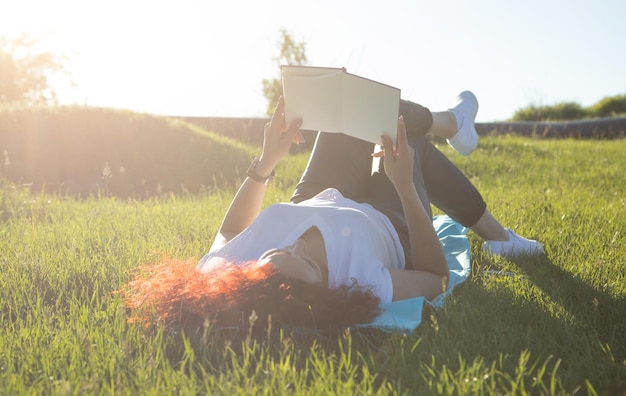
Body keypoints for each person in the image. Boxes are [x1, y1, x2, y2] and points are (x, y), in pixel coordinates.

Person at [124, 92, 543, 334]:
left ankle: (453, 128)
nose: (299, 246)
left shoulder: (229, 275)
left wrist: (267, 160)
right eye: (309, 261)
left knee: (351, 103)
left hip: (315, 195)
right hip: (386, 214)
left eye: (281, 251)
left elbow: (231, 230)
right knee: (401, 136)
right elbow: (435, 279)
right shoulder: (359, 283)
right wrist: (403, 185)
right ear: (327, 289)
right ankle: (453, 129)